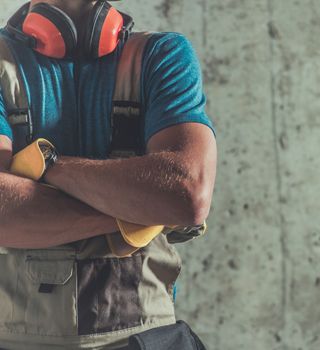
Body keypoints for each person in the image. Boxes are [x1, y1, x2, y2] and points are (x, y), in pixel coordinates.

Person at [0, 0, 217, 349]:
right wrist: (141, 210)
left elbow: (186, 194)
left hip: (143, 338)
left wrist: (50, 166)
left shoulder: (161, 57)